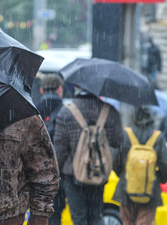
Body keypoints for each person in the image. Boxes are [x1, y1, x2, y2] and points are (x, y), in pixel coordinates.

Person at [54, 86, 123, 225]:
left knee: (79, 217)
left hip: (72, 174)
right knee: (96, 215)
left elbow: (59, 149)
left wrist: (56, 174)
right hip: (98, 172)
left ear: (77, 87)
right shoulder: (109, 111)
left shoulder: (66, 112)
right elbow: (118, 141)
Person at [113, 107, 167, 225]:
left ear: (133, 116)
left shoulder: (126, 134)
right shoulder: (157, 137)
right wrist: (156, 178)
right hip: (150, 192)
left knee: (127, 222)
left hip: (126, 189)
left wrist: (125, 174)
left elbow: (115, 160)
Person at [36, 74, 65, 225]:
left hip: (36, 172)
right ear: (60, 89)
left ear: (41, 90)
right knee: (56, 214)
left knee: (38, 213)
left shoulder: (33, 111)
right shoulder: (66, 112)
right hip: (59, 173)